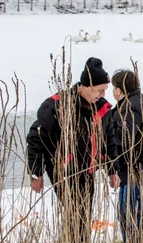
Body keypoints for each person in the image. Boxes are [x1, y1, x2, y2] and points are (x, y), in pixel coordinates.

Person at [26, 57, 121, 242]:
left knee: (82, 215)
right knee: (76, 213)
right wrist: (36, 172)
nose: (103, 94)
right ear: (86, 86)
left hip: (88, 170)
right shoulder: (58, 105)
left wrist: (113, 170)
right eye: (100, 90)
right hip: (63, 170)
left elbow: (109, 141)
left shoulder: (103, 109)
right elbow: (37, 137)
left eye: (105, 91)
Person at [110, 69, 143, 243]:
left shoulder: (132, 106)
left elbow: (127, 136)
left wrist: (107, 132)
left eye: (113, 87)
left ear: (119, 89)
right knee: (126, 214)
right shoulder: (136, 102)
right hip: (133, 169)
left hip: (140, 169)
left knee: (131, 214)